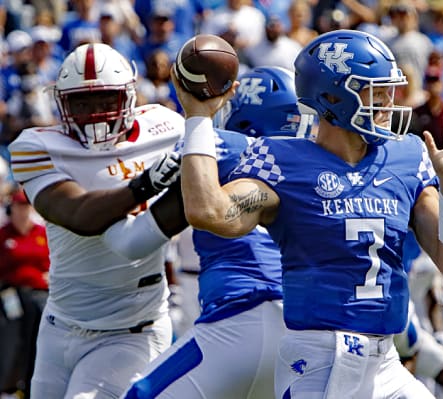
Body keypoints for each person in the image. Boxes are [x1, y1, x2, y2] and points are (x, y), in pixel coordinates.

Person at [174, 29, 443, 399]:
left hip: (385, 362)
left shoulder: (406, 156)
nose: (388, 103)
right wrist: (198, 119)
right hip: (320, 362)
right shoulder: (283, 161)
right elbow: (210, 212)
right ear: (332, 96)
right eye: (375, 92)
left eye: (388, 91)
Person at [7, 42, 187, 398]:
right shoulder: (38, 145)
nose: (95, 113)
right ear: (62, 103)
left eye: (106, 100)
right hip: (60, 326)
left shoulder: (166, 128)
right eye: (82, 103)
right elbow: (80, 215)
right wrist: (145, 184)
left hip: (132, 330)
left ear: (129, 97)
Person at [123, 66, 312, 399]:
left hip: (240, 319)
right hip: (304, 331)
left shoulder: (220, 147)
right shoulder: (311, 165)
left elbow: (131, 243)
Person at [0, 187, 49, 397]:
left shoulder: (40, 232)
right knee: (12, 339)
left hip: (40, 294)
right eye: (19, 205)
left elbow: (49, 262)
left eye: (26, 206)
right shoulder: (4, 234)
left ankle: (29, 387)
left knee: (37, 340)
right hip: (11, 294)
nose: (23, 210)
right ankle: (7, 384)